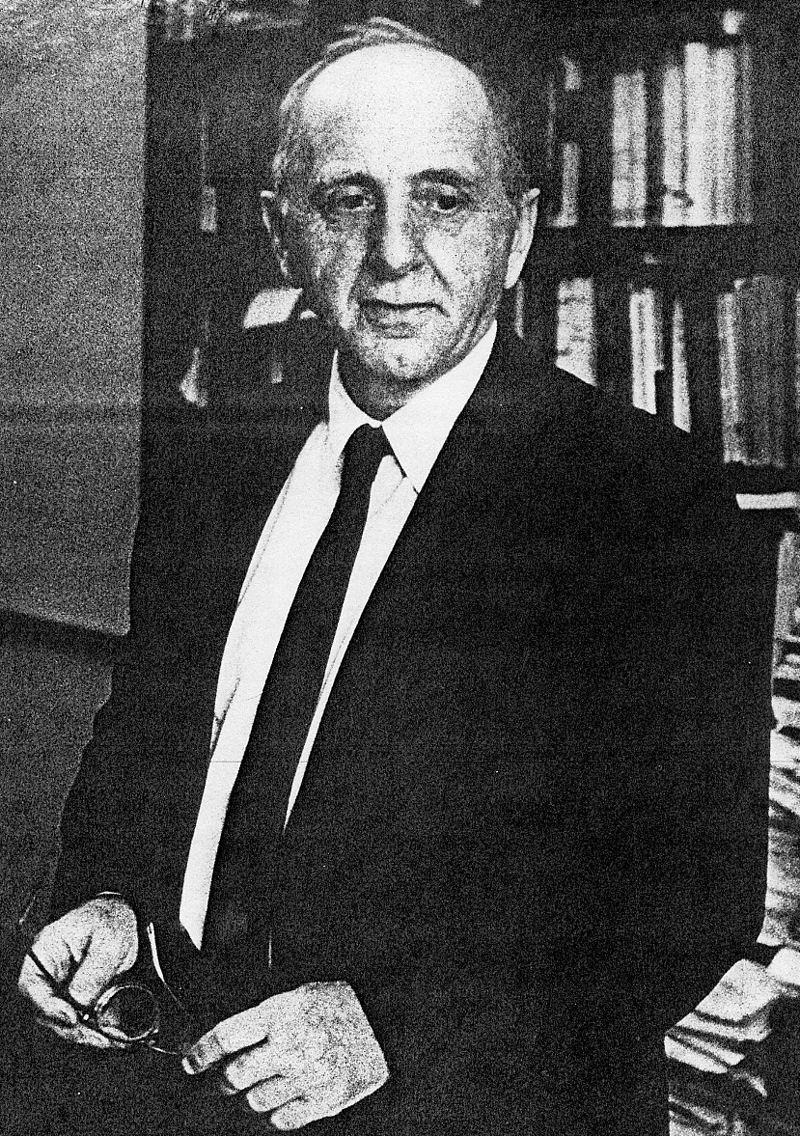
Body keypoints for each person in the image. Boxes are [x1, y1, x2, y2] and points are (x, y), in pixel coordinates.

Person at [17, 17, 774, 1136]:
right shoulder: (213, 461)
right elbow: (144, 738)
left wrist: (394, 1026)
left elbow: (689, 891)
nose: (394, 254)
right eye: (346, 200)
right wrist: (108, 896)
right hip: (178, 1091)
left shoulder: (643, 500)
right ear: (282, 235)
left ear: (517, 234)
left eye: (444, 199)